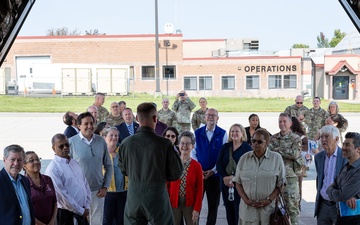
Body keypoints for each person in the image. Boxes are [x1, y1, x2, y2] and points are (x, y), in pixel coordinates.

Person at [119, 102, 183, 224]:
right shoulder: (165, 144)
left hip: (134, 198)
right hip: (157, 197)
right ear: (155, 118)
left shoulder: (126, 143)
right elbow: (176, 173)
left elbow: (123, 170)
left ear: (137, 118)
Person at [234, 128, 286, 225]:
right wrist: (246, 200)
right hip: (247, 211)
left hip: (268, 212)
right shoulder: (244, 158)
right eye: (253, 141)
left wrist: (269, 200)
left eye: (259, 141)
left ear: (266, 143)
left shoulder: (276, 158)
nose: (255, 144)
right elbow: (237, 182)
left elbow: (281, 184)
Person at [69, 112, 113, 225]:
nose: (90, 126)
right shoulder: (71, 143)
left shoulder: (101, 141)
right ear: (79, 126)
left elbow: (109, 166)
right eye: (86, 123)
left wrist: (105, 187)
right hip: (78, 193)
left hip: (97, 192)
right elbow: (66, 169)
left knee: (97, 222)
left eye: (91, 123)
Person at [191, 108, 227, 225]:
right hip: (199, 175)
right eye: (209, 115)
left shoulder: (223, 133)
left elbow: (223, 155)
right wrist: (199, 169)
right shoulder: (197, 133)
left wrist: (213, 170)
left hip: (215, 176)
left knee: (213, 206)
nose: (211, 117)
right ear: (205, 117)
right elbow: (193, 152)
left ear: (218, 118)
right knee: (196, 205)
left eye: (213, 115)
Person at [45, 133, 91, 225]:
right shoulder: (53, 169)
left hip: (82, 212)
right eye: (61, 146)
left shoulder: (74, 163)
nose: (65, 148)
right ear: (54, 148)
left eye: (67, 145)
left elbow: (85, 184)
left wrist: (87, 205)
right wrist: (80, 210)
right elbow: (62, 196)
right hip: (66, 214)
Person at [267, 112, 303, 225]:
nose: (282, 124)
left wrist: (277, 150)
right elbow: (268, 153)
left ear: (290, 123)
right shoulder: (273, 138)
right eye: (280, 121)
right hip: (274, 178)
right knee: (274, 210)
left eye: (284, 121)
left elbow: (295, 154)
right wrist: (284, 152)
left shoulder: (296, 138)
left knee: (292, 209)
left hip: (290, 179)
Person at [216, 123, 252, 225]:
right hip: (226, 184)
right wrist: (225, 177)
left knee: (239, 210)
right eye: (232, 131)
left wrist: (235, 178)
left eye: (237, 131)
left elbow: (249, 167)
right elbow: (219, 164)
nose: (234, 133)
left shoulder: (247, 149)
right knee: (229, 209)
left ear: (242, 133)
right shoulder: (225, 147)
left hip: (240, 185)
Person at [168, 131, 204, 225]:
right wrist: (166, 204)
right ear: (178, 145)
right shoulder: (172, 163)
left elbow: (200, 189)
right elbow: (167, 185)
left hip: (190, 204)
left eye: (188, 143)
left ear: (192, 146)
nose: (185, 146)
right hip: (173, 203)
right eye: (182, 143)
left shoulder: (197, 166)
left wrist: (197, 209)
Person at [314, 125, 347, 225]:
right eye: (321, 137)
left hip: (339, 205)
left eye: (327, 137)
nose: (323, 140)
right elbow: (319, 179)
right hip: (323, 205)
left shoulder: (346, 157)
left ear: (336, 139)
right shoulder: (319, 157)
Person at [327, 132, 360, 225]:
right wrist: (332, 190)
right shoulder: (345, 167)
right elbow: (332, 187)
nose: (343, 148)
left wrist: (331, 191)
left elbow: (342, 195)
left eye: (347, 145)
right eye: (343, 144)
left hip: (355, 219)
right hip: (342, 216)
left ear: (358, 149)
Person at [0, 144, 35, 225]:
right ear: (4, 160)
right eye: (12, 159)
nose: (16, 163)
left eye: (19, 160)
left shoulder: (25, 180)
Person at [23, 151, 57, 225]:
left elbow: (55, 202)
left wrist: (53, 221)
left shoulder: (48, 179)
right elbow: (24, 211)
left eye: (37, 159)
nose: (36, 162)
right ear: (24, 165)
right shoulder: (23, 183)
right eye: (31, 160)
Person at [102, 127, 127, 225]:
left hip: (123, 191)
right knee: (107, 219)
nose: (114, 138)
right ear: (105, 137)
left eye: (116, 135)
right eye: (111, 135)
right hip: (108, 192)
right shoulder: (101, 152)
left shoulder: (122, 151)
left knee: (121, 219)